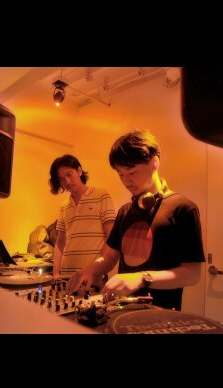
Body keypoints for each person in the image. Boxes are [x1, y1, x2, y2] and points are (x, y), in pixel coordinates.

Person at [67, 129, 205, 310]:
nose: (126, 182)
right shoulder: (125, 211)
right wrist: (89, 270)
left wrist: (142, 278)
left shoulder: (183, 209)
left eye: (132, 172)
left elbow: (192, 274)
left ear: (154, 163)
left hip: (161, 316)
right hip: (122, 311)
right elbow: (109, 257)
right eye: (121, 174)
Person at [49, 154, 116, 282]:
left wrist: (99, 268)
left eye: (69, 175)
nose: (67, 182)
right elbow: (60, 243)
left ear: (79, 171)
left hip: (93, 276)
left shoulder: (101, 195)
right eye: (62, 179)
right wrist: (56, 273)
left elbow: (111, 235)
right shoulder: (63, 206)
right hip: (67, 277)